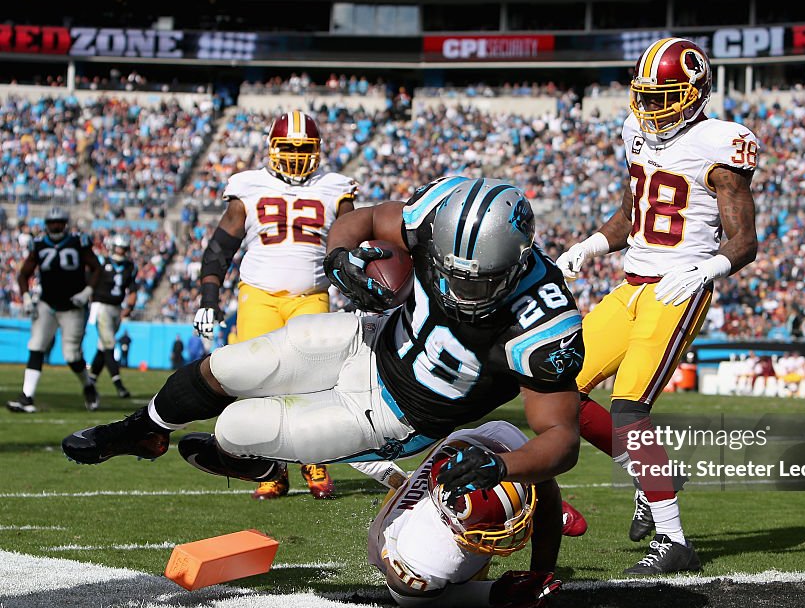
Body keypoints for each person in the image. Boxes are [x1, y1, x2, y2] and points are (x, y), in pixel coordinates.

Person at [63, 177, 583, 518]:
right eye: (450, 273)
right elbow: (365, 221)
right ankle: (143, 431)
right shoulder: (433, 218)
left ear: (517, 264)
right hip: (368, 339)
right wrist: (339, 258)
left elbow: (561, 436)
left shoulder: (545, 323)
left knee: (237, 428)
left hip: (392, 413)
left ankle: (261, 463)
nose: (458, 290)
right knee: (229, 366)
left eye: (477, 282)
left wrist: (502, 467)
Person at [555, 38, 758, 574]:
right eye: (647, 95)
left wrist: (708, 267)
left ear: (695, 94)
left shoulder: (722, 143)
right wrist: (591, 245)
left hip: (677, 288)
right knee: (558, 392)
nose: (653, 107)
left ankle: (674, 541)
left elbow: (744, 240)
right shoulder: (635, 133)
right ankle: (652, 479)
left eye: (666, 95)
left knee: (629, 409)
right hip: (630, 286)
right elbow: (632, 213)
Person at [192, 111, 365, 500]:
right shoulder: (248, 186)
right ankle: (272, 470)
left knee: (316, 385)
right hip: (259, 295)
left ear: (318, 152)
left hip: (312, 295)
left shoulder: (335, 187)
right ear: (272, 148)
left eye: (304, 149)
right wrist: (208, 297)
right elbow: (220, 248)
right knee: (259, 386)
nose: (296, 156)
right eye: (288, 148)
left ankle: (314, 461)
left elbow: (352, 245)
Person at [369, 421, 561, 608]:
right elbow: (413, 598)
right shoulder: (428, 553)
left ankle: (514, 506)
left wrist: (542, 574)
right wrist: (492, 593)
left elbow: (546, 486)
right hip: (401, 543)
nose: (508, 532)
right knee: (466, 572)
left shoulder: (497, 438)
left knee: (534, 478)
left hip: (444, 499)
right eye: (495, 527)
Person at [7, 207, 101, 413]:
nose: (56, 226)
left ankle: (88, 386)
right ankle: (27, 397)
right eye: (52, 223)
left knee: (71, 355)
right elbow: (23, 274)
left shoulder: (78, 241)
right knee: (36, 345)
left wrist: (87, 291)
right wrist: (25, 296)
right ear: (47, 225)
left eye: (59, 222)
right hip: (47, 304)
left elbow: (96, 268)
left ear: (65, 223)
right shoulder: (39, 245)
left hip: (73, 306)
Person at [88, 234, 137, 399]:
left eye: (123, 248)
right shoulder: (102, 262)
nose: (121, 251)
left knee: (103, 348)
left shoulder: (129, 266)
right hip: (101, 307)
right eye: (118, 248)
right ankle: (119, 385)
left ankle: (91, 382)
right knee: (109, 344)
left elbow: (133, 290)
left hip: (117, 308)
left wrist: (129, 307)